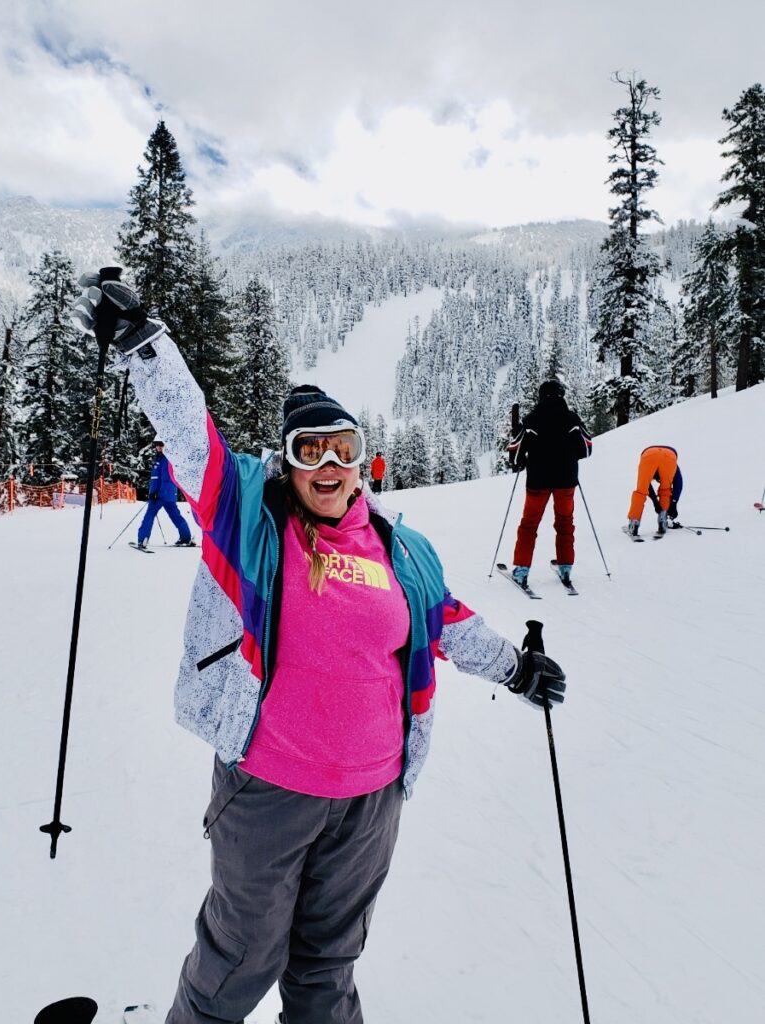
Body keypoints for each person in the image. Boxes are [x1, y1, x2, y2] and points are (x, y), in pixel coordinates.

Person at [73, 275, 568, 1024]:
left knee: (328, 964)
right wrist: (145, 343)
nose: (329, 465)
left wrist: (517, 668)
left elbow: (447, 624)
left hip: (371, 799)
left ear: (361, 459)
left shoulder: (403, 548)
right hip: (270, 788)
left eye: (344, 448)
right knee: (240, 956)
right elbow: (188, 430)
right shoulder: (249, 517)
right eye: (312, 451)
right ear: (290, 463)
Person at [507, 379, 593, 587]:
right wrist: (571, 457)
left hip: (538, 480)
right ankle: (565, 567)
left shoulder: (531, 420)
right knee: (565, 522)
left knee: (529, 524)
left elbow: (515, 450)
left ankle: (521, 570)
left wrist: (522, 461)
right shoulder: (572, 419)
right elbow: (587, 448)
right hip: (566, 481)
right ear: (561, 395)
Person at [137, 439, 196, 548]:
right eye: (156, 445)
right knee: (175, 515)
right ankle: (185, 537)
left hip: (161, 494)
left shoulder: (166, 459)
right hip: (167, 494)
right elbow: (156, 478)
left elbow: (166, 478)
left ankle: (142, 538)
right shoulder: (160, 458)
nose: (158, 447)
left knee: (149, 514)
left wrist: (156, 493)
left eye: (161, 445)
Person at [627, 446, 683, 537]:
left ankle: (634, 523)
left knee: (641, 491)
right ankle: (663, 521)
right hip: (669, 456)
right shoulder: (675, 467)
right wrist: (673, 503)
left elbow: (646, 486)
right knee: (666, 489)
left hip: (649, 454)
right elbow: (678, 484)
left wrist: (656, 502)